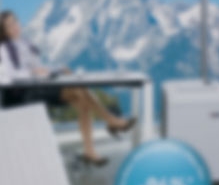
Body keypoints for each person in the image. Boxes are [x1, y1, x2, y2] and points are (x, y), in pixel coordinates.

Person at [0, 10, 136, 167]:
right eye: (9, 25)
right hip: (27, 94)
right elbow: (11, 75)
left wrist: (57, 69)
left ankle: (90, 150)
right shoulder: (4, 48)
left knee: (81, 96)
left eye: (15, 21)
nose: (14, 26)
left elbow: (40, 68)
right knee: (78, 90)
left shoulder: (25, 44)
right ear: (4, 31)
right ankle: (111, 121)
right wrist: (33, 73)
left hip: (40, 86)